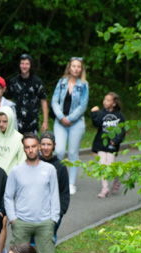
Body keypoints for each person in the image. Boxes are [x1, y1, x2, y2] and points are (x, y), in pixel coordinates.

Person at [4, 134, 60, 253]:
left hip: (44, 221)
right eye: (27, 147)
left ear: (39, 147)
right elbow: (8, 196)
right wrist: (13, 218)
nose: (31, 150)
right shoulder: (16, 171)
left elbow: (54, 194)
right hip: (22, 221)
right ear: (24, 149)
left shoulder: (49, 169)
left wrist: (53, 218)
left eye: (33, 146)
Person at [50, 57, 89, 195]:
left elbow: (83, 105)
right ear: (69, 67)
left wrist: (71, 118)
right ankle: (58, 180)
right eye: (73, 66)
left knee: (73, 152)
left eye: (78, 66)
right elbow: (54, 101)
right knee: (59, 151)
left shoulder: (84, 85)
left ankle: (71, 183)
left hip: (76, 123)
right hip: (60, 122)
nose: (76, 69)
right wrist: (61, 117)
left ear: (81, 69)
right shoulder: (61, 82)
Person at [91, 92, 127, 198]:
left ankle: (116, 178)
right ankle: (105, 188)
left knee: (110, 166)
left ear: (114, 103)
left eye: (108, 100)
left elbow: (122, 130)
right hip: (101, 142)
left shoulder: (119, 116)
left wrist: (116, 140)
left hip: (112, 144)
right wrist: (94, 113)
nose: (104, 101)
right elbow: (96, 124)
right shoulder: (101, 113)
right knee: (103, 165)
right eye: (104, 99)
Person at [6, 53, 49, 135]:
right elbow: (8, 101)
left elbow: (43, 101)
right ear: (19, 65)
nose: (24, 66)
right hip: (16, 122)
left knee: (32, 146)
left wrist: (45, 121)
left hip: (33, 122)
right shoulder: (13, 82)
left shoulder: (37, 82)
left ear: (30, 65)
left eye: (27, 64)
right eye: (22, 63)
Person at [38, 131, 70, 233]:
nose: (46, 147)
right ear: (39, 146)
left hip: (53, 214)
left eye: (49, 144)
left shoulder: (60, 167)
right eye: (43, 144)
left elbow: (64, 192)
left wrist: (60, 212)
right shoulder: (33, 164)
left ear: (54, 146)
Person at [0, 107, 24, 174]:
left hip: (11, 178)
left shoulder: (19, 138)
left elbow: (22, 162)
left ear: (11, 121)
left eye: (5, 121)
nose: (1, 124)